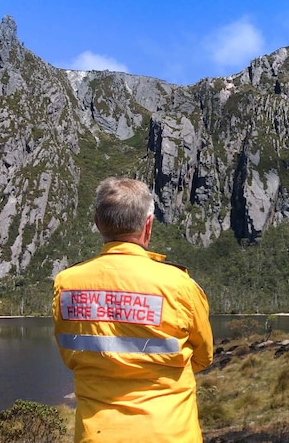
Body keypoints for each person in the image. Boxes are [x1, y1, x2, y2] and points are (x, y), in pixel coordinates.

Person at [53, 177, 213, 442]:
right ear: (147, 226)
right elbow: (203, 357)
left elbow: (71, 355)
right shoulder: (178, 284)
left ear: (97, 223)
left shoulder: (67, 283)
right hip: (169, 434)